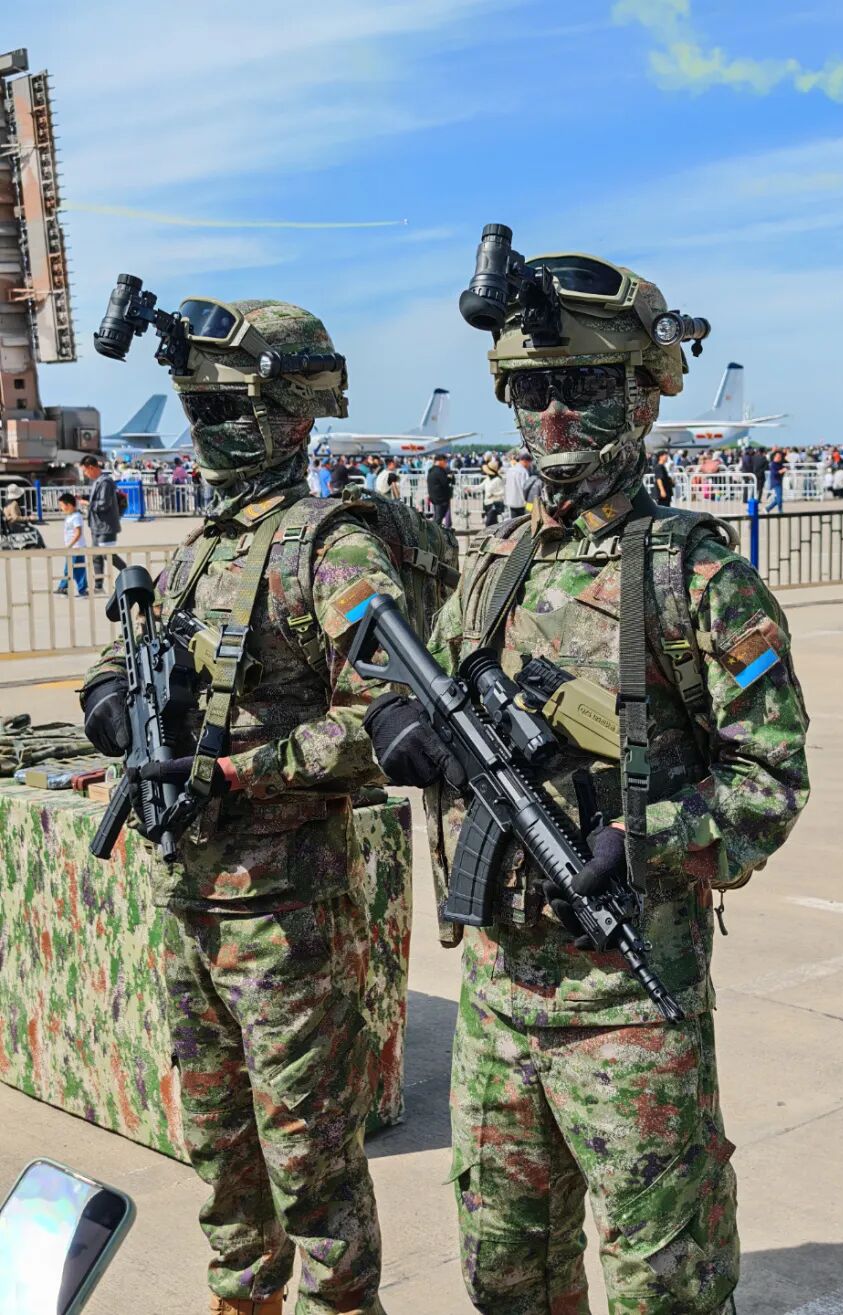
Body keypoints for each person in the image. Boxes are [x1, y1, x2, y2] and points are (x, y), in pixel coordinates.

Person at [365, 245, 810, 1314]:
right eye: (532, 391)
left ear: (640, 394)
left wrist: (644, 836)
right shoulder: (495, 561)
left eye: (580, 386)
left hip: (628, 1007)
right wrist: (393, 721)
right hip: (496, 1001)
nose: (554, 414)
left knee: (665, 1287)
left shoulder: (694, 570)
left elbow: (771, 777)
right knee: (505, 1274)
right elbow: (404, 675)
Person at [81, 299, 405, 1315]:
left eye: (227, 408)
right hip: (190, 905)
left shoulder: (330, 549)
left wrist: (237, 774)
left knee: (313, 1172)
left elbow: (385, 720)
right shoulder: (199, 549)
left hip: (285, 919)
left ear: (294, 412)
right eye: (198, 409)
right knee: (221, 1163)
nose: (208, 429)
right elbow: (124, 659)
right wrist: (109, 701)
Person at [79, 456, 121, 593]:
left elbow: (104, 504)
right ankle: (98, 585)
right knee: (96, 555)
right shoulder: (98, 482)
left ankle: (128, 572)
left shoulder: (105, 482)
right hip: (97, 526)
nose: (85, 474)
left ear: (91, 467)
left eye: (85, 471)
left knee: (107, 555)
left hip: (106, 526)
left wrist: (87, 504)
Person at [53, 493, 88, 597]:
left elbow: (78, 533)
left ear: (69, 505)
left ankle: (64, 587)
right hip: (73, 547)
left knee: (70, 568)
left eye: (62, 505)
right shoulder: (70, 517)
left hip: (76, 548)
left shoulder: (76, 517)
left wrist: (70, 545)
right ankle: (81, 589)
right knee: (77, 569)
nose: (61, 508)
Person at [504, 450, 534, 518]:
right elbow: (526, 488)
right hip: (522, 503)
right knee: (524, 521)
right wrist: (530, 506)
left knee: (514, 521)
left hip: (511, 501)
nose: (529, 465)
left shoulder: (510, 470)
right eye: (529, 463)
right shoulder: (523, 472)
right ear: (525, 461)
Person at [426, 452, 453, 525]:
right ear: (440, 461)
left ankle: (436, 529)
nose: (446, 463)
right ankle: (434, 531)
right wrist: (450, 478)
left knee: (438, 517)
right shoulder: (439, 471)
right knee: (438, 518)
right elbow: (445, 482)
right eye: (445, 461)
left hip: (435, 498)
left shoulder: (432, 470)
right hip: (440, 499)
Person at [479, 459, 505, 525]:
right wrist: (470, 489)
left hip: (494, 503)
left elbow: (503, 491)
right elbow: (480, 486)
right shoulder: (487, 479)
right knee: (492, 523)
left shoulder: (498, 480)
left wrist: (494, 494)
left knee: (489, 523)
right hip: (487, 503)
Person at [764, 448, 786, 513]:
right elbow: (774, 473)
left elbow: (782, 472)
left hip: (779, 482)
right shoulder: (773, 464)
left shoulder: (780, 464)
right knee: (779, 499)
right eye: (778, 457)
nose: (779, 458)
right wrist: (781, 471)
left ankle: (767, 509)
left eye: (780, 457)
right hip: (775, 483)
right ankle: (780, 511)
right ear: (774, 457)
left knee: (778, 499)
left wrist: (784, 470)